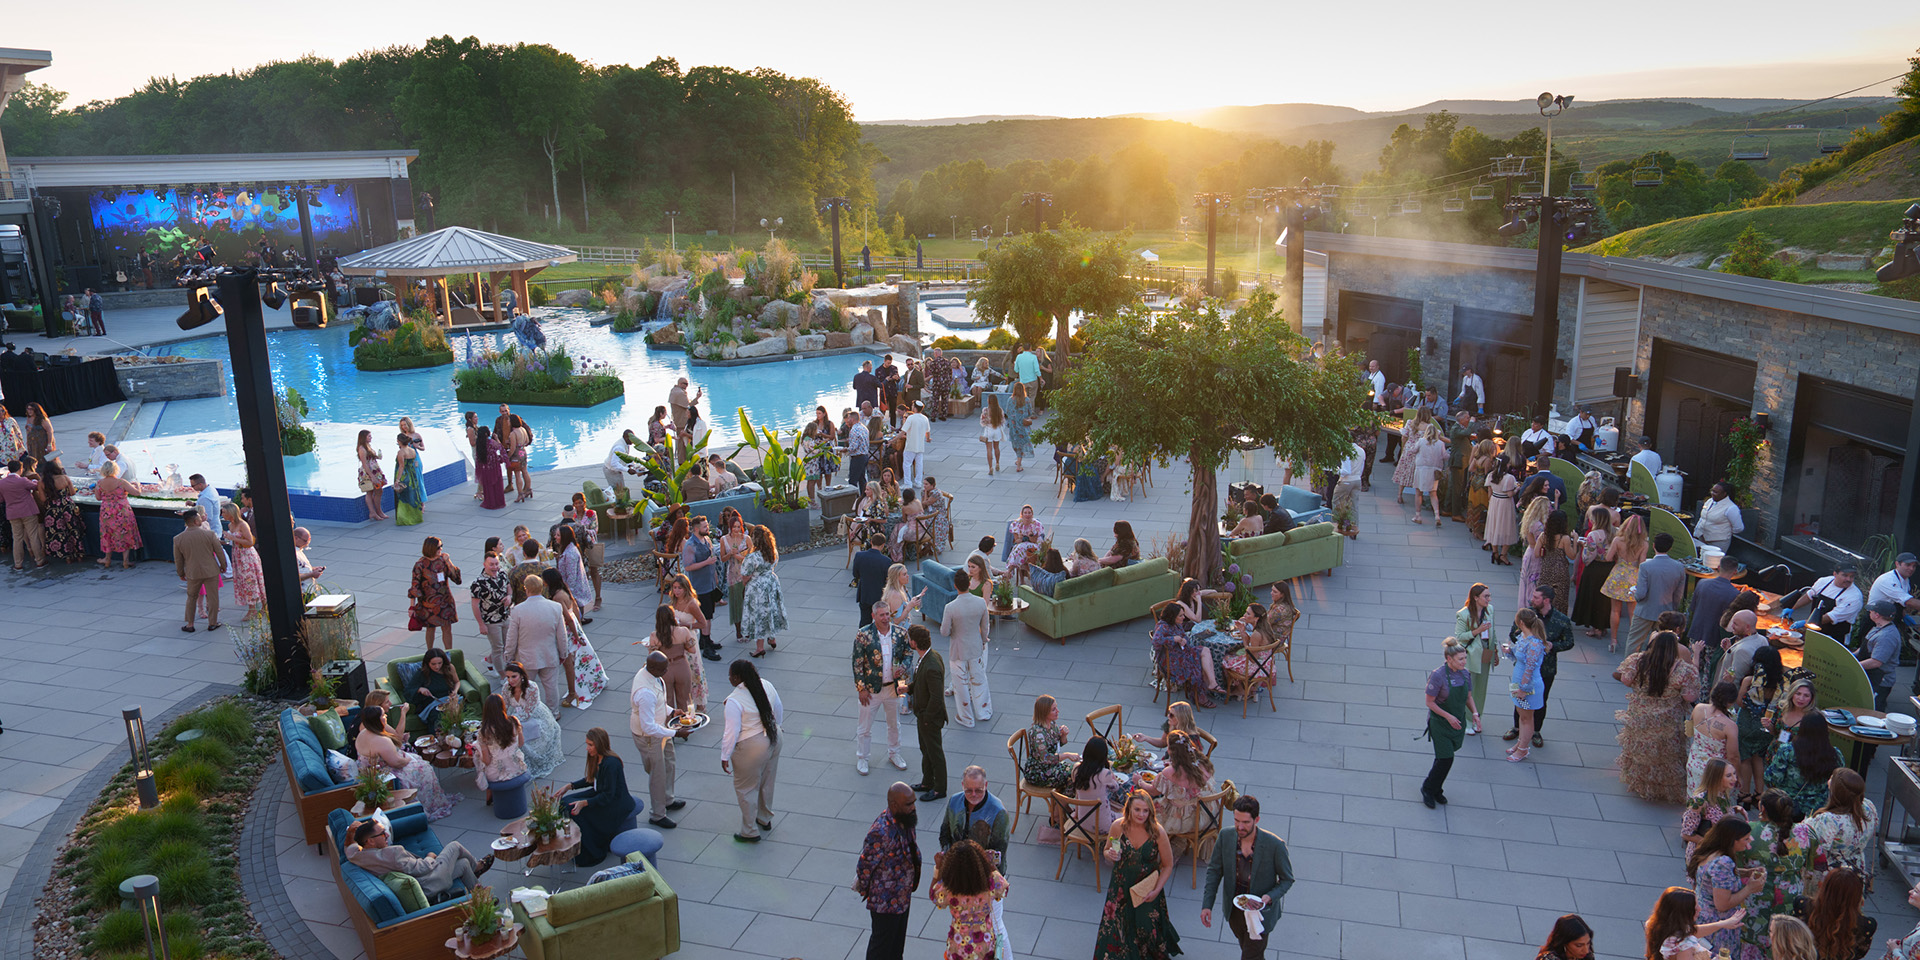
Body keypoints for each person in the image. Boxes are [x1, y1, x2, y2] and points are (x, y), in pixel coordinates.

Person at [1199, 794, 1296, 960]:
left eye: (1245, 822)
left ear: (1256, 820)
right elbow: (1214, 871)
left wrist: (1269, 897)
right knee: (1251, 952)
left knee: (1250, 956)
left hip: (1260, 916)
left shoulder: (1275, 845)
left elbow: (1287, 880)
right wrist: (1207, 905)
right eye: (1237, 820)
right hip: (1235, 912)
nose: (1240, 826)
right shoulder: (1225, 836)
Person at [1613, 631, 1700, 802]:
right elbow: (1690, 697)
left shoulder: (1638, 660)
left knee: (1641, 748)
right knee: (1664, 753)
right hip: (1668, 720)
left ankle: (1640, 782)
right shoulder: (1684, 669)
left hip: (1641, 716)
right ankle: (1661, 787)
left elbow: (1625, 679)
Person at [1094, 789, 1180, 960]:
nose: (1141, 814)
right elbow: (1107, 850)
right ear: (1129, 809)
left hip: (1146, 889)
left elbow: (1168, 865)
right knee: (1118, 928)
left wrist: (1156, 891)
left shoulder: (1157, 832)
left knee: (1147, 927)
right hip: (1120, 887)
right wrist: (1109, 854)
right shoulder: (1118, 827)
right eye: (1137, 810)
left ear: (1150, 811)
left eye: (1145, 810)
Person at [346, 816, 491, 901]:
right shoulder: (393, 854)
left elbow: (348, 847)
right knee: (454, 846)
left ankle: (482, 899)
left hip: (426, 882)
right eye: (383, 834)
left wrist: (352, 832)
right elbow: (422, 868)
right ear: (370, 841)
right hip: (430, 883)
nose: (387, 836)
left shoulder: (357, 855)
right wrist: (430, 856)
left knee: (463, 864)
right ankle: (477, 867)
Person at [855, 782, 923, 960]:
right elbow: (865, 865)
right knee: (881, 948)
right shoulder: (881, 831)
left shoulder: (906, 819)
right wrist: (865, 888)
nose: (913, 807)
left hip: (902, 896)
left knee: (896, 948)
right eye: (909, 804)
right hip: (885, 902)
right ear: (894, 805)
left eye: (913, 802)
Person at [355, 706, 457, 819]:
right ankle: (428, 805)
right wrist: (408, 759)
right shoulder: (381, 740)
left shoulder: (363, 733)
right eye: (383, 715)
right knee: (424, 767)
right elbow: (397, 763)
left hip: (371, 769)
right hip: (385, 774)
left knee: (417, 759)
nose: (386, 716)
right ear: (378, 720)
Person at [720, 658, 782, 842]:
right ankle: (764, 818)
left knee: (746, 788)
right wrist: (777, 727)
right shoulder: (766, 684)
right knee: (767, 781)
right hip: (774, 737)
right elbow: (778, 708)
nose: (729, 679)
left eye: (730, 675)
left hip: (751, 746)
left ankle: (749, 831)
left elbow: (731, 732)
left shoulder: (734, 700)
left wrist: (725, 755)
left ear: (737, 677)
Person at [629, 651, 691, 830]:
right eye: (664, 668)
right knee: (657, 774)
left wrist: (672, 711)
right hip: (649, 737)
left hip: (660, 730)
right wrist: (676, 734)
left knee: (669, 762)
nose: (667, 671)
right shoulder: (645, 693)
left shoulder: (653, 676)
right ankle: (657, 814)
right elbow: (648, 727)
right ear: (653, 668)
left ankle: (667, 799)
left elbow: (660, 702)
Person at [1687, 819, 1765, 956]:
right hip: (1719, 928)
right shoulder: (1724, 862)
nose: (1750, 841)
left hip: (1704, 920)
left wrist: (1745, 872)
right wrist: (1749, 888)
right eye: (1746, 838)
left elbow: (1714, 879)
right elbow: (1722, 905)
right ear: (1733, 840)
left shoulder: (1710, 853)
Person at [854, 601, 915, 777]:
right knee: (865, 726)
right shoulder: (863, 635)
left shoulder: (900, 633)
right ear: (874, 616)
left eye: (888, 614)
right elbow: (857, 663)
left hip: (893, 689)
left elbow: (908, 655)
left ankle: (894, 753)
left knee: (894, 724)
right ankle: (862, 757)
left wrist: (903, 671)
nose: (886, 618)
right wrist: (861, 688)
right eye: (882, 615)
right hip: (871, 690)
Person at [565, 727, 639, 867]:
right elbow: (592, 780)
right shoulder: (597, 759)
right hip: (601, 793)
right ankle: (578, 845)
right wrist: (569, 786)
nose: (587, 748)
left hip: (615, 803)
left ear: (599, 744)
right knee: (566, 803)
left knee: (577, 811)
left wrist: (584, 803)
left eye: (590, 745)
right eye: (587, 744)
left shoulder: (611, 763)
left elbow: (608, 796)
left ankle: (594, 851)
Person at [1421, 641, 1479, 808]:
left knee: (1443, 759)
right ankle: (1429, 789)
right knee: (1446, 758)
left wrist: (1475, 714)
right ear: (1448, 659)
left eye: (1465, 658)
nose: (1464, 662)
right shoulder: (1438, 676)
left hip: (1456, 723)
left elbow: (1468, 697)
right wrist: (1448, 717)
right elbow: (1430, 702)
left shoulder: (1465, 674)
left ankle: (1436, 787)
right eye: (1460, 659)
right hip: (1440, 723)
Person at [930, 838, 1008, 960]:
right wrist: (990, 865)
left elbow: (933, 895)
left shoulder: (949, 890)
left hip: (958, 948)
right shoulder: (990, 884)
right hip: (985, 948)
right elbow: (1004, 887)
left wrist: (938, 869)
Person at [541, 569, 607, 709]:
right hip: (574, 627)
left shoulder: (557, 597)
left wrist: (576, 636)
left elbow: (567, 618)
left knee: (569, 662)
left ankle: (573, 693)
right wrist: (579, 626)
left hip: (568, 631)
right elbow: (575, 607)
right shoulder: (563, 589)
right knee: (579, 658)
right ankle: (581, 687)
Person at [939, 567, 994, 728]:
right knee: (979, 680)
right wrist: (983, 640)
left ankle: (966, 718)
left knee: (960, 684)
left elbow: (944, 631)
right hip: (976, 646)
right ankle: (983, 712)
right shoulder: (980, 603)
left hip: (957, 649)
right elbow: (985, 627)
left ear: (955, 586)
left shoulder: (950, 607)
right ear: (969, 584)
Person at [1805, 769, 1879, 887]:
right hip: (1857, 871)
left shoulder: (1828, 820)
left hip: (1832, 877)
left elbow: (1816, 851)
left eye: (1831, 779)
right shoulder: (1869, 808)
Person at [505, 573, 570, 708]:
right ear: (542, 588)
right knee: (551, 686)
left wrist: (509, 655)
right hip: (549, 654)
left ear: (526, 589)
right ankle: (553, 712)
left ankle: (527, 710)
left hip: (526, 658)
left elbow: (512, 637)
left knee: (525, 687)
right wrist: (563, 653)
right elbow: (561, 635)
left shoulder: (518, 610)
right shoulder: (555, 607)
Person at [1765, 715, 1844, 818]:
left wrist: (1774, 763)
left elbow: (1771, 779)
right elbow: (1838, 782)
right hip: (1818, 812)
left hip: (1787, 808)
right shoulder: (1835, 754)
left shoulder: (1787, 751)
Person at [1792, 868, 1876, 960]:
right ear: (1856, 897)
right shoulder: (1866, 926)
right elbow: (1859, 954)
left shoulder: (1802, 906)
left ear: (1825, 888)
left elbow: (1792, 939)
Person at [1643, 886, 1744, 960]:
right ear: (1683, 914)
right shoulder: (1684, 945)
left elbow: (1692, 931)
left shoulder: (1655, 925)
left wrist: (1723, 924)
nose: (1699, 909)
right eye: (1695, 909)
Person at [907, 625, 948, 801]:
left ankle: (939, 788)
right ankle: (927, 782)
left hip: (929, 718)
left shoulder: (931, 664)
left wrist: (926, 718)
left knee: (935, 752)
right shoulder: (928, 657)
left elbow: (937, 697)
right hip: (923, 715)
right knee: (926, 750)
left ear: (914, 643)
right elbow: (920, 683)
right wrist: (908, 688)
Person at [500, 662, 563, 778]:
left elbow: (528, 712)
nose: (510, 680)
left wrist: (511, 721)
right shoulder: (506, 687)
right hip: (517, 715)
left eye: (514, 676)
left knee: (520, 731)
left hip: (535, 715)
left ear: (522, 676)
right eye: (508, 677)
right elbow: (505, 706)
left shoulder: (532, 687)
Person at [736, 524, 789, 658]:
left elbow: (745, 575)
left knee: (758, 616)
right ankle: (772, 638)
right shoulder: (773, 552)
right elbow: (774, 565)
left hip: (757, 588)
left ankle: (759, 648)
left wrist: (745, 585)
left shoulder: (752, 557)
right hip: (771, 583)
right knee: (771, 611)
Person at [1505, 608, 1548, 763]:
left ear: (1521, 622)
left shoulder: (1535, 644)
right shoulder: (1523, 636)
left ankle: (1523, 749)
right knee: (1521, 713)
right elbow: (1518, 658)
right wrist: (1509, 650)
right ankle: (1520, 743)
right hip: (1518, 682)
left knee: (1526, 718)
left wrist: (1523, 689)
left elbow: (1530, 668)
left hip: (1528, 686)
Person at [1452, 583, 1496, 733]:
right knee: (1468, 690)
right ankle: (1466, 720)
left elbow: (1493, 633)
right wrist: (1477, 631)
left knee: (1480, 689)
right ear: (1476, 598)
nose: (1489, 599)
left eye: (1489, 596)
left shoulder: (1490, 610)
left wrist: (1494, 652)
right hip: (1470, 657)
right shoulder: (1463, 614)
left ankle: (1477, 718)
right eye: (1486, 596)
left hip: (1485, 654)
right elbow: (1459, 637)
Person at [1679, 758, 1744, 860]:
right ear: (1716, 778)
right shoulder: (1699, 801)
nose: (1735, 779)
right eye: (1729, 776)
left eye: (1734, 774)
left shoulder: (1723, 795)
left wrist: (1734, 809)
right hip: (1704, 858)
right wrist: (1712, 845)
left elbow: (1716, 814)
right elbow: (1686, 834)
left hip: (1719, 855)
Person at [172, 508, 226, 631]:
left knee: (191, 597)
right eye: (199, 518)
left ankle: (190, 624)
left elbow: (178, 559)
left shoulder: (178, 539)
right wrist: (223, 566)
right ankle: (212, 623)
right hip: (211, 571)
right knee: (213, 597)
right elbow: (219, 552)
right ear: (196, 521)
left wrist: (181, 573)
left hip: (192, 572)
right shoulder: (210, 534)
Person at [680, 515, 724, 661]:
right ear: (697, 529)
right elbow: (688, 566)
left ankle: (706, 640)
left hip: (710, 584)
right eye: (705, 527)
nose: (708, 529)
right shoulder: (690, 545)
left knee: (709, 613)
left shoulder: (707, 540)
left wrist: (715, 578)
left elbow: (711, 561)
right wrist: (706, 562)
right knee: (705, 617)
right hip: (699, 587)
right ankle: (706, 647)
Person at [1687, 681, 1741, 798]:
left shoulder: (1698, 708)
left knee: (1694, 799)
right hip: (1715, 772)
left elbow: (1689, 731)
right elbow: (1733, 757)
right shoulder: (1730, 726)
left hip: (1694, 763)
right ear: (1730, 702)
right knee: (1713, 805)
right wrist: (1736, 776)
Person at [406, 536, 460, 651]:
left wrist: (449, 562)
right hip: (428, 603)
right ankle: (429, 651)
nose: (441, 549)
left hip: (445, 601)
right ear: (430, 548)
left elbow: (457, 579)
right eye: (438, 547)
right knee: (430, 628)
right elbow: (415, 586)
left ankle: (449, 652)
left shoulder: (442, 560)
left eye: (441, 546)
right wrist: (412, 606)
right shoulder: (420, 565)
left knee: (447, 628)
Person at [1781, 564, 1863, 638]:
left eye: (1852, 576)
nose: (1848, 579)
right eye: (1845, 575)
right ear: (1835, 574)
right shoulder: (1823, 582)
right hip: (1813, 628)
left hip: (1834, 636)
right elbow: (1809, 596)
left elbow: (1831, 617)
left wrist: (1804, 623)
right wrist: (1792, 608)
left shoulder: (1854, 597)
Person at [473, 693, 527, 800]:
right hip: (517, 767)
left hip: (496, 774)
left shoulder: (483, 732)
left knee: (477, 755)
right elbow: (521, 743)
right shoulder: (514, 721)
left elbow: (487, 761)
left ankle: (489, 794)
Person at [466, 554, 511, 674]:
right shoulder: (478, 583)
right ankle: (503, 675)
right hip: (491, 620)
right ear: (484, 565)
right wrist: (481, 624)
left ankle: (488, 661)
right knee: (498, 648)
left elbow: (508, 586)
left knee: (507, 645)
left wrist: (509, 597)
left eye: (496, 564)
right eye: (491, 564)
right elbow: (475, 605)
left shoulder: (502, 574)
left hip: (505, 616)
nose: (495, 567)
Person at [1022, 694, 1079, 789]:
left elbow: (1058, 744)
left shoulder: (1052, 724)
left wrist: (1064, 735)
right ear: (1044, 713)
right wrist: (1067, 755)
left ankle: (1061, 801)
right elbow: (1046, 758)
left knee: (1076, 771)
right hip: (1038, 772)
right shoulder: (1037, 733)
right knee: (1074, 775)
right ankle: (1061, 802)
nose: (1058, 711)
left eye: (1056, 708)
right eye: (1053, 709)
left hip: (1051, 766)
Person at [94, 461, 142, 570]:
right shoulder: (121, 482)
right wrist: (138, 485)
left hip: (106, 510)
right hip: (122, 509)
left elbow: (98, 497)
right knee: (124, 533)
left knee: (107, 533)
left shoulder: (99, 483)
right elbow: (137, 493)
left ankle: (107, 559)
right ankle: (125, 561)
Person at [1858, 600, 1903, 710]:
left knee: (1874, 710)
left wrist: (1855, 666)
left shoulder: (1887, 636)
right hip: (1870, 676)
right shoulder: (1878, 628)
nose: (1869, 613)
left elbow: (1876, 662)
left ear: (1877, 615)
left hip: (1880, 681)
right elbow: (1863, 649)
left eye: (1871, 611)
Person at [36, 462, 82, 564]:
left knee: (60, 532)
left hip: (53, 510)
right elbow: (72, 492)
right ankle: (79, 554)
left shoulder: (42, 482)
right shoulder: (64, 478)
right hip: (67, 506)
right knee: (73, 530)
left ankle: (67, 557)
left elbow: (43, 499)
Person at [1484, 456, 1519, 564]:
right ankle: (1503, 554)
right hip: (1505, 503)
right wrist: (1517, 488)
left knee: (1494, 526)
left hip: (1494, 501)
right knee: (1507, 527)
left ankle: (1495, 552)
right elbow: (1509, 494)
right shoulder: (1509, 478)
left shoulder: (1491, 475)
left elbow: (1489, 492)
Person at [853, 533, 893, 627]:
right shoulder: (886, 561)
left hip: (864, 594)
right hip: (879, 596)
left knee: (864, 622)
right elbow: (888, 580)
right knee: (880, 623)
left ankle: (862, 640)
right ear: (883, 545)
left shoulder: (859, 556)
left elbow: (855, 574)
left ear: (871, 542)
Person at [1694, 482, 1745, 553]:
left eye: (1715, 492)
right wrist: (1697, 532)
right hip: (1702, 537)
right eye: (1712, 490)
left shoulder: (1731, 508)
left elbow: (1738, 528)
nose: (1712, 493)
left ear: (1724, 494)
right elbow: (1703, 518)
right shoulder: (1709, 501)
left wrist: (1723, 532)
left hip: (1718, 542)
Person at [355, 430, 389, 520]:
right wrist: (372, 476)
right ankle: (373, 512)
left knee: (378, 491)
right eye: (369, 436)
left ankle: (378, 511)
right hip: (369, 472)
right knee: (370, 491)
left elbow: (370, 458)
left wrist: (377, 456)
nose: (371, 438)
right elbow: (365, 464)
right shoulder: (362, 449)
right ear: (364, 437)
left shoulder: (368, 446)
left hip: (375, 470)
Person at [472, 425, 506, 510]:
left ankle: (490, 502)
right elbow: (500, 447)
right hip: (494, 466)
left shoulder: (479, 444)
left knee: (488, 485)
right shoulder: (491, 442)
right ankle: (498, 502)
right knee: (496, 484)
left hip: (485, 467)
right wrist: (497, 438)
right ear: (487, 433)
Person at [901, 401, 931, 490]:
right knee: (919, 464)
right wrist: (928, 439)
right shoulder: (925, 418)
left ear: (914, 408)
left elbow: (903, 431)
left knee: (906, 464)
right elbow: (928, 431)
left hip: (910, 445)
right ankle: (918, 482)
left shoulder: (911, 418)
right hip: (920, 445)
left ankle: (907, 483)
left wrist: (892, 440)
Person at [604, 428, 643, 493]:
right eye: (632, 439)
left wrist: (630, 465)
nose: (633, 442)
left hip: (615, 470)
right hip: (611, 470)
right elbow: (614, 463)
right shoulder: (619, 447)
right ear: (627, 438)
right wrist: (627, 470)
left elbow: (625, 457)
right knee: (619, 492)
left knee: (621, 490)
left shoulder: (625, 443)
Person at [978, 394, 1006, 475]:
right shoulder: (1000, 410)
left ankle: (990, 468)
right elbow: (1003, 421)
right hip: (997, 429)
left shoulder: (985, 410)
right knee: (996, 447)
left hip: (988, 430)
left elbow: (982, 422)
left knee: (989, 450)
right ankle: (997, 463)